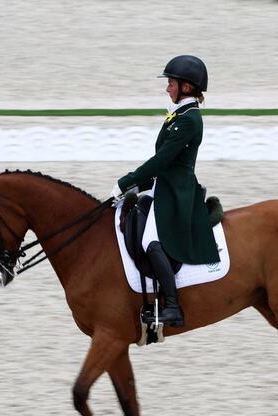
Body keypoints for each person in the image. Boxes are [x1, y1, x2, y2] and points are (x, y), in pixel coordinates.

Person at [110, 55, 220, 327]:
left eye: (171, 83)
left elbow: (162, 161)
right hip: (164, 186)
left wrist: (127, 181)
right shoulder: (179, 115)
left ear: (186, 87)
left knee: (151, 242)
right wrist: (137, 186)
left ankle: (173, 307)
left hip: (177, 192)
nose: (167, 88)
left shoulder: (189, 120)